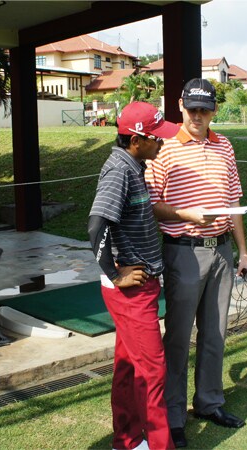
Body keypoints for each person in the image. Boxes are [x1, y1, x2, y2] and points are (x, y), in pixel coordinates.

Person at [144, 78, 247, 448]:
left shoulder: (225, 145)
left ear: (214, 111)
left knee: (215, 332)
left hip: (222, 250)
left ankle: (209, 402)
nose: (197, 115)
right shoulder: (165, 148)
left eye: (205, 109)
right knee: (177, 337)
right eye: (192, 108)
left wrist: (243, 252)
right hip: (184, 252)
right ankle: (173, 416)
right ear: (180, 106)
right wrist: (186, 214)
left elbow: (234, 201)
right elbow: (151, 204)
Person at [88, 101, 181, 450]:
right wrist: (114, 274)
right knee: (153, 371)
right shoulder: (119, 171)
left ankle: (127, 440)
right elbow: (97, 224)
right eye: (156, 137)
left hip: (140, 287)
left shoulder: (133, 165)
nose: (162, 142)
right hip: (131, 292)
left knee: (128, 366)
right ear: (136, 139)